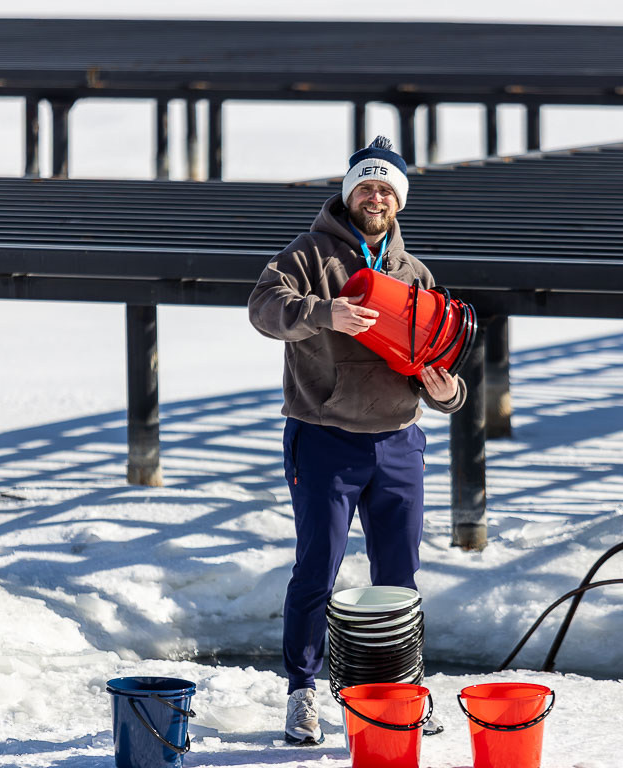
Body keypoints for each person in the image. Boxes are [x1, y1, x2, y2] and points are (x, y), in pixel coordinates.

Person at [248, 136, 466, 745]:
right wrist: (325, 314)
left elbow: (441, 373)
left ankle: (396, 696)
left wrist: (444, 389)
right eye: (366, 187)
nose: (376, 197)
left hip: (398, 442)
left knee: (399, 575)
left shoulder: (414, 273)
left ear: (399, 202)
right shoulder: (309, 253)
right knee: (317, 566)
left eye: (386, 189)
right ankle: (302, 693)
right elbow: (263, 307)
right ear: (350, 195)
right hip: (324, 440)